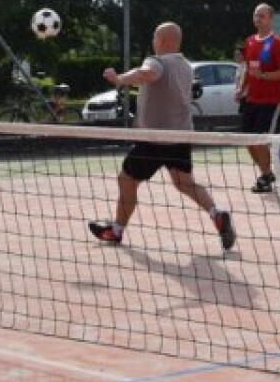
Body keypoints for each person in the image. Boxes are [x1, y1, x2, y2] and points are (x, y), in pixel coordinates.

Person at [87, 22, 236, 250]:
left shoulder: (156, 61)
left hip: (155, 141)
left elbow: (147, 73)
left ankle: (116, 231)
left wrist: (120, 79)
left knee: (126, 180)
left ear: (163, 40)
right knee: (185, 183)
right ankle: (217, 214)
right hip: (181, 137)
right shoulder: (186, 66)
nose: (153, 41)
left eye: (155, 37)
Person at [235, 3, 280, 193]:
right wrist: (241, 89)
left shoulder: (277, 43)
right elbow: (248, 69)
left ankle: (266, 176)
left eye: (262, 16)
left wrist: (264, 76)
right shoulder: (250, 41)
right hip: (252, 100)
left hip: (271, 102)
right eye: (256, 15)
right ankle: (267, 174)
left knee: (260, 140)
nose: (257, 19)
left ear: (271, 19)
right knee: (248, 140)